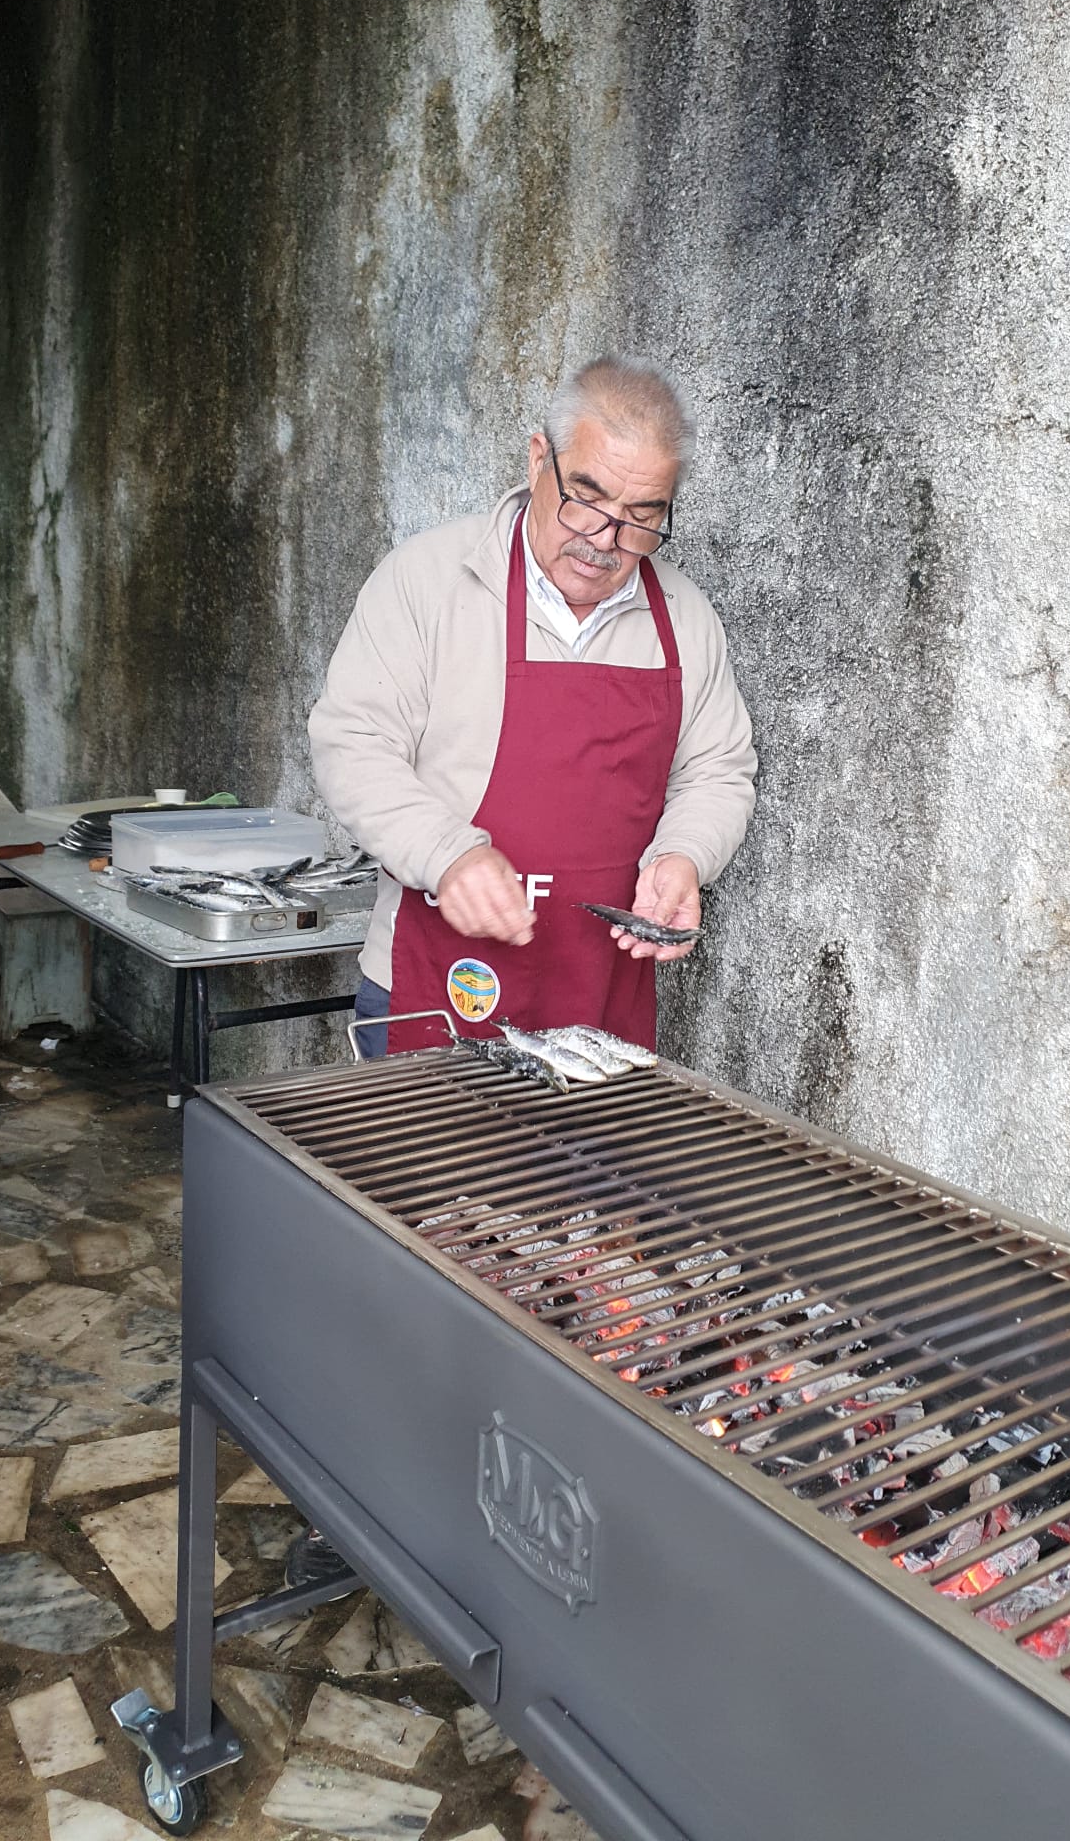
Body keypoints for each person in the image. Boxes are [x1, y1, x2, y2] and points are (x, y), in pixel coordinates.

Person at [287, 356, 756, 1589]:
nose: (609, 538)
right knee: (411, 1246)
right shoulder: (430, 583)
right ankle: (361, 1501)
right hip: (441, 984)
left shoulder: (683, 619)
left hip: (599, 1004)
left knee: (575, 1257)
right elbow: (350, 740)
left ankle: (520, 1524)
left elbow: (719, 769)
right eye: (589, 497)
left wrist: (682, 857)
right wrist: (448, 853)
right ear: (537, 459)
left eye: (645, 515)